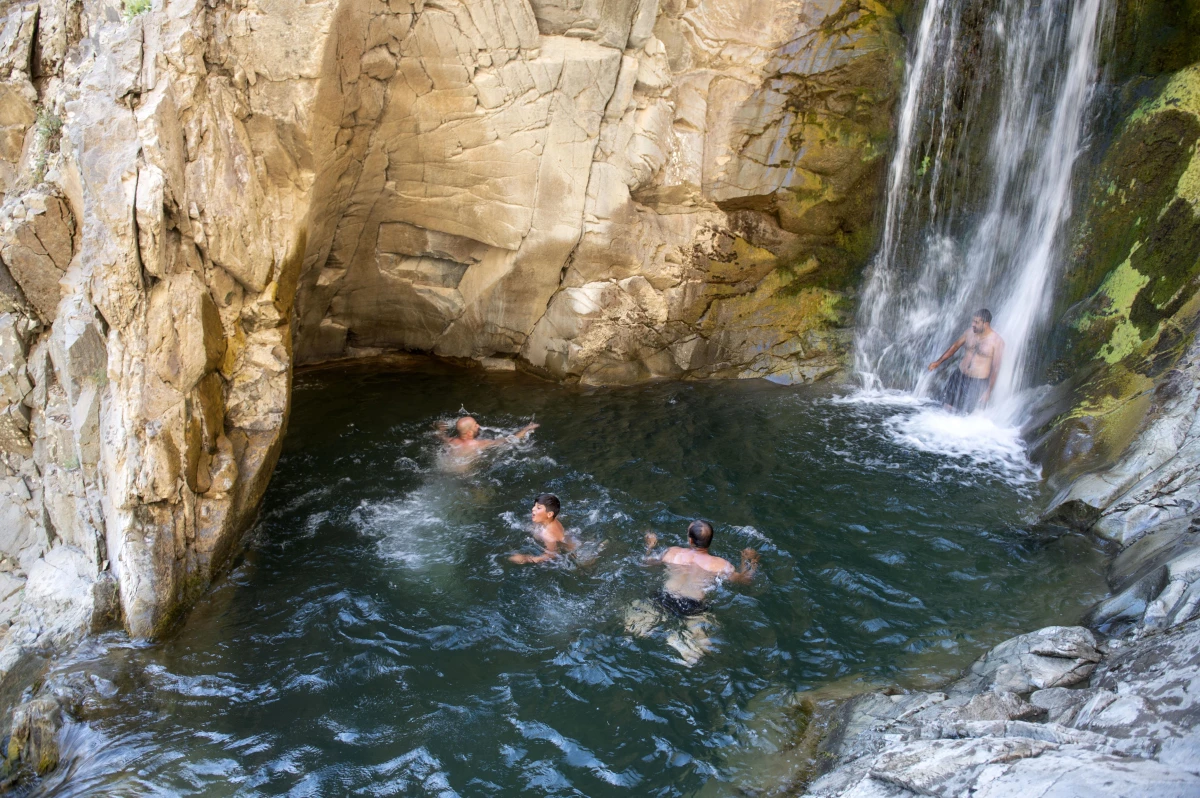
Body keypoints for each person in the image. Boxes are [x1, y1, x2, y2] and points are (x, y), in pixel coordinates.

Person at [626, 520, 758, 665]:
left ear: (689, 539)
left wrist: (650, 545)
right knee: (701, 652)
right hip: (692, 607)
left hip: (663, 597)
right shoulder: (721, 565)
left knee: (631, 629)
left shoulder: (672, 552)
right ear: (710, 540)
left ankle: (651, 629)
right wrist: (749, 560)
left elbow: (644, 562)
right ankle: (679, 639)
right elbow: (745, 580)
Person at [927, 309, 1005, 413]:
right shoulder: (969, 333)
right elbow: (954, 347)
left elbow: (996, 368)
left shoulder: (997, 341)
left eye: (976, 322)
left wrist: (989, 391)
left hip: (977, 382)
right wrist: (938, 362)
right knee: (946, 408)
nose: (973, 324)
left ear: (985, 324)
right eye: (973, 321)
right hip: (959, 375)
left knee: (965, 414)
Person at [510, 493, 575, 564]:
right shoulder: (552, 518)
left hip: (575, 554)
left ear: (549, 514)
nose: (533, 509)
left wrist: (526, 559)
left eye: (538, 508)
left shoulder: (548, 535)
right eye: (534, 506)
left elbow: (552, 554)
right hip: (572, 540)